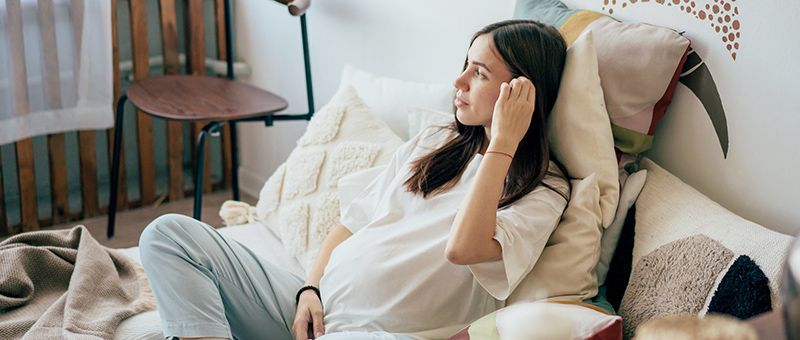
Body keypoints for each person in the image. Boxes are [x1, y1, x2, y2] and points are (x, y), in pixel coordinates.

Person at [139, 19, 570, 340]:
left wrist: (503, 143)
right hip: (311, 309)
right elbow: (351, 223)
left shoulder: (543, 189)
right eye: (465, 65)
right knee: (167, 234)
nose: (457, 82)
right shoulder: (436, 138)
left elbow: (463, 249)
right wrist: (310, 288)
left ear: (522, 92)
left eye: (478, 73)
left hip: (376, 334)